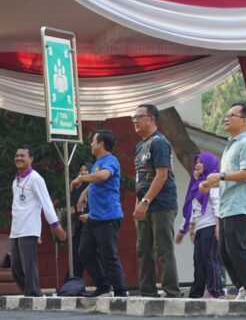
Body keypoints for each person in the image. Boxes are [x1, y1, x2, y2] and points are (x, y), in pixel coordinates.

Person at [200, 101, 246, 301]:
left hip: (240, 204)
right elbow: (230, 177)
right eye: (226, 115)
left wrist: (220, 176)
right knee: (224, 251)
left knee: (236, 248)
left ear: (244, 120)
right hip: (227, 205)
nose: (226, 118)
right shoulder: (231, 145)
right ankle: (244, 287)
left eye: (231, 115)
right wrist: (211, 183)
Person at [69, 130, 128, 297]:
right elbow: (96, 181)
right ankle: (102, 286)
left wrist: (81, 178)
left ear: (101, 144)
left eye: (93, 141)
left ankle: (120, 292)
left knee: (108, 256)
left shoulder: (111, 160)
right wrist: (84, 193)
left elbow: (103, 176)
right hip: (94, 217)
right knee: (84, 251)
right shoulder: (98, 162)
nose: (91, 144)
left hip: (108, 217)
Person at [132, 103, 181, 298]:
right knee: (143, 250)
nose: (135, 121)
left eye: (139, 117)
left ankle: (172, 293)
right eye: (133, 118)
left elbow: (161, 175)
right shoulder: (139, 146)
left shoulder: (159, 142)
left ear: (152, 118)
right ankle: (148, 293)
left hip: (161, 204)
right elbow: (140, 179)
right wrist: (138, 205)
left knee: (163, 250)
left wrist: (145, 202)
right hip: (144, 205)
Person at [9, 145, 66, 296]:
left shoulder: (35, 179)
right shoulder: (16, 180)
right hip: (16, 229)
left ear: (31, 159)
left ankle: (33, 294)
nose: (18, 158)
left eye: (22, 156)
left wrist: (56, 225)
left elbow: (46, 203)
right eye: (17, 155)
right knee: (15, 267)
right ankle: (29, 293)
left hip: (28, 229)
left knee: (29, 266)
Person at [175, 152, 224, 298]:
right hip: (200, 228)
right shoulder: (197, 185)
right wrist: (191, 227)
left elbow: (217, 204)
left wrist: (218, 225)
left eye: (201, 162)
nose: (197, 165)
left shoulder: (212, 183)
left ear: (208, 164)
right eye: (196, 162)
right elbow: (193, 208)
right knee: (198, 261)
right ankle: (196, 293)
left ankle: (215, 291)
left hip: (210, 225)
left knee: (210, 259)